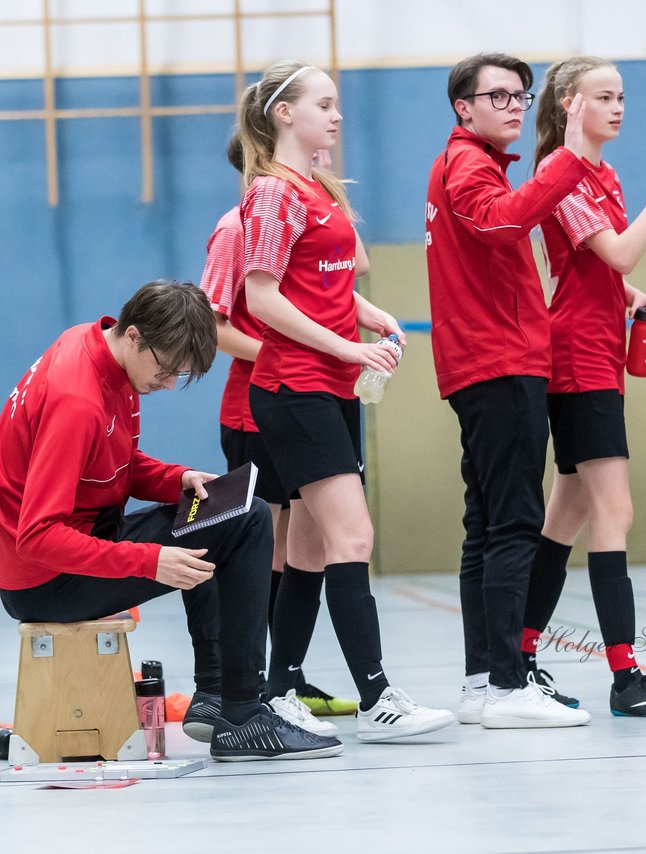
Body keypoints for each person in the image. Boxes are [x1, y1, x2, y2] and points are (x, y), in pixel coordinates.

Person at [0, 280, 343, 760]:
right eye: (167, 368)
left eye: (183, 374)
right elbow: (36, 537)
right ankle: (241, 713)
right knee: (250, 522)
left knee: (226, 512)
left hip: (80, 540)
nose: (170, 384)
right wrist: (149, 560)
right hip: (43, 581)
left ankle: (218, 699)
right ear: (133, 335)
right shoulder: (77, 399)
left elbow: (113, 463)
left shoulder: (104, 352)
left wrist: (177, 478)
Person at [239, 60, 455, 742]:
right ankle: (377, 697)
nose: (336, 115)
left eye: (336, 105)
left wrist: (373, 318)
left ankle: (280, 692)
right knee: (354, 537)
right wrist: (345, 349)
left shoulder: (318, 187)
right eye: (323, 104)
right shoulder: (273, 193)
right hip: (294, 387)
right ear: (283, 113)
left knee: (308, 548)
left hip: (330, 386)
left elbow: (326, 286)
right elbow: (261, 298)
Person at [424, 52, 590, 729]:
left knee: (487, 526)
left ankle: (481, 682)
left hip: (486, 363)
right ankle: (508, 685)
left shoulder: (469, 163)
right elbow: (502, 221)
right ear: (464, 107)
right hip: (499, 363)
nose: (516, 105)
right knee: (516, 523)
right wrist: (570, 157)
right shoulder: (466, 166)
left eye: (521, 94)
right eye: (498, 95)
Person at [526, 56, 646, 716]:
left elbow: (604, 267)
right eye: (603, 95)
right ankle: (625, 674)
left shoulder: (605, 173)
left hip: (600, 350)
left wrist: (629, 294)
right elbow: (618, 249)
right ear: (570, 104)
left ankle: (521, 649)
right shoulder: (560, 177)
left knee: (568, 511)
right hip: (577, 358)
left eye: (621, 95)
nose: (618, 106)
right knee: (613, 511)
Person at [199, 133, 358, 729]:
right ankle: (254, 682)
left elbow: (355, 267)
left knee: (306, 544)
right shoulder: (235, 230)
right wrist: (285, 348)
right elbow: (216, 327)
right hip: (256, 408)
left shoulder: (301, 217)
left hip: (305, 396)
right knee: (265, 545)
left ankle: (285, 678)